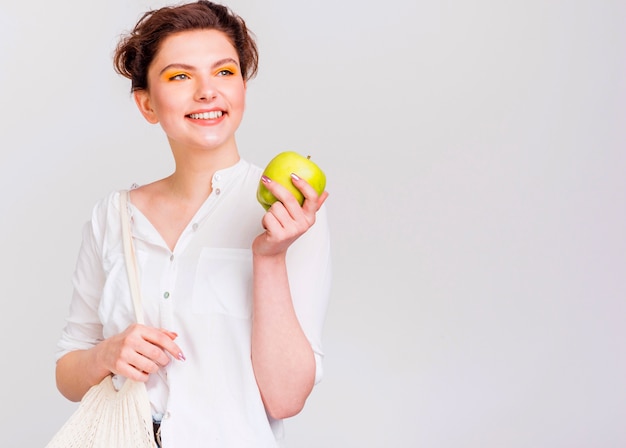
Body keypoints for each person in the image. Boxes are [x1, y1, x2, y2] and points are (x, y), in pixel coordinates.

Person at [54, 1, 332, 446]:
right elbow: (68, 372)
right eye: (180, 76)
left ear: (242, 87)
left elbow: (284, 400)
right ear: (146, 104)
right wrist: (107, 353)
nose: (207, 91)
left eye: (224, 72)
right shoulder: (113, 216)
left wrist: (270, 257)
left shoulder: (291, 215)